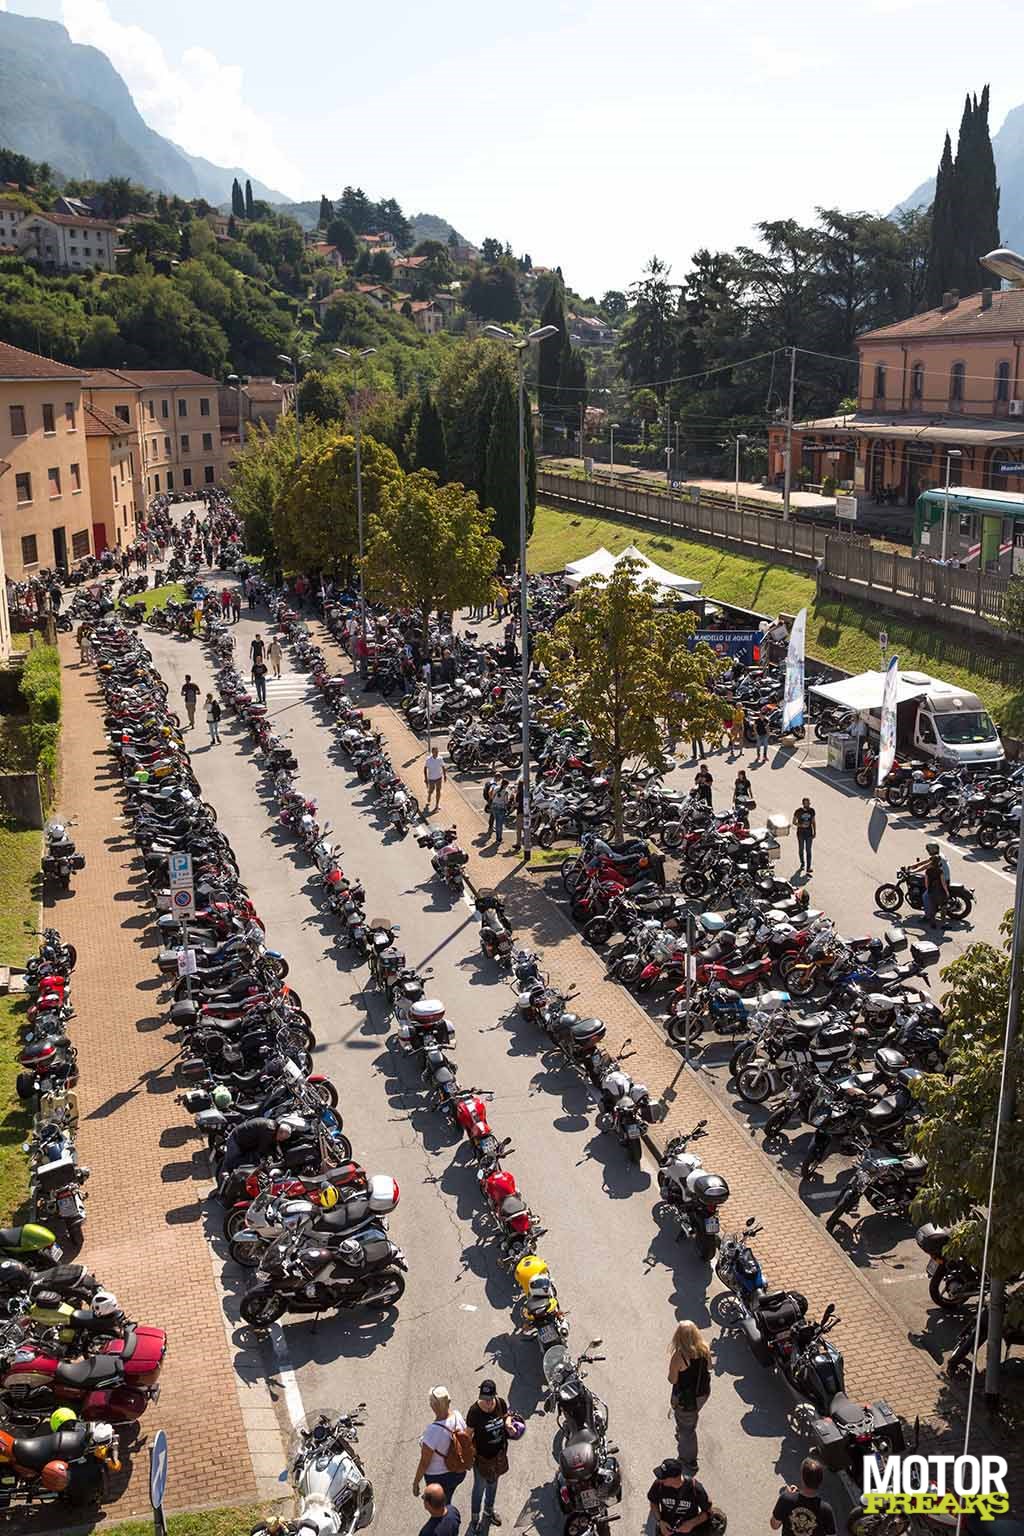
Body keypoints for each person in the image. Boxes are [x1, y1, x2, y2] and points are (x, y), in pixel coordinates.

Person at [413, 1388, 469, 1508]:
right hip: (458, 1472)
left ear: (434, 1406)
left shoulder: (432, 1431)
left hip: (438, 1477)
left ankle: (445, 1512)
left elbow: (424, 1462)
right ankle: (447, 1504)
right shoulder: (457, 1416)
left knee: (438, 1506)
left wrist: (416, 1482)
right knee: (447, 1496)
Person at [668, 1322, 712, 1471]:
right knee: (689, 1418)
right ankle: (684, 1428)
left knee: (688, 1430)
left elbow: (672, 1379)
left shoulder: (679, 1356)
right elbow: (709, 1367)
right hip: (703, 1393)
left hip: (687, 1399)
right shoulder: (704, 1348)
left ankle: (689, 1460)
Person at [466, 1379, 509, 1531]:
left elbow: (506, 1417)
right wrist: (468, 1457)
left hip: (498, 1457)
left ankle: (488, 1512)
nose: (488, 1402)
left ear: (495, 1395)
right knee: (479, 1489)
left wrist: (509, 1423)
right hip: (482, 1460)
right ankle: (475, 1520)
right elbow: (467, 1435)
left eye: (490, 1399)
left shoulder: (500, 1403)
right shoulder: (474, 1412)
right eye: (484, 1399)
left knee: (493, 1485)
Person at [770, 1458, 836, 1536]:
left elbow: (774, 1525)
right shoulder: (826, 1509)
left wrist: (788, 1495)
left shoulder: (786, 1499)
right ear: (820, 1481)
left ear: (802, 1478)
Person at [648, 1457, 712, 1535]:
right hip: (666, 1530)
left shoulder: (695, 1488)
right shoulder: (659, 1484)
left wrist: (691, 1523)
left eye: (663, 1477)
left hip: (690, 1532)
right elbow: (653, 1502)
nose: (660, 1479)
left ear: (674, 1478)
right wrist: (660, 1521)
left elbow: (708, 1512)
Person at [217, 1117, 293, 1181]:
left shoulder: (274, 1127)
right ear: (279, 1132)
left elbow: (275, 1144)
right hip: (236, 1140)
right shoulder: (269, 1130)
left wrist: (280, 1157)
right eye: (282, 1138)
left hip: (245, 1142)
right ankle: (220, 1187)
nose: (281, 1140)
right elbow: (262, 1149)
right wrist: (268, 1160)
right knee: (229, 1165)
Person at [911, 843, 950, 927]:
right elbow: (927, 861)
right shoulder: (938, 856)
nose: (928, 851)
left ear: (932, 850)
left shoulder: (935, 863)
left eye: (929, 849)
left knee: (925, 896)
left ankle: (927, 917)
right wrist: (914, 865)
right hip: (943, 879)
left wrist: (913, 872)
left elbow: (926, 866)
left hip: (941, 882)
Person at [793, 798, 816, 874]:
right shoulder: (798, 811)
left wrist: (814, 832)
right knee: (801, 849)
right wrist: (801, 825)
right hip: (800, 834)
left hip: (809, 833)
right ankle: (802, 863)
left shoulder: (812, 811)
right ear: (803, 804)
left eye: (808, 803)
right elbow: (794, 822)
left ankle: (808, 868)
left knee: (808, 850)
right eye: (806, 803)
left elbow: (813, 821)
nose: (808, 804)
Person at [424, 746, 446, 812]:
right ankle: (429, 795)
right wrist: (426, 778)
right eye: (435, 752)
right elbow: (425, 769)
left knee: (438, 791)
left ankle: (437, 805)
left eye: (437, 752)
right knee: (431, 790)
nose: (437, 753)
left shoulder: (440, 758)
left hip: (439, 778)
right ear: (432, 752)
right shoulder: (428, 759)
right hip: (431, 779)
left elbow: (443, 767)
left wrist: (445, 775)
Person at [490, 777, 509, 845]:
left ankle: (498, 838)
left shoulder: (496, 788)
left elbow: (492, 796)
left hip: (494, 806)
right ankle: (499, 839)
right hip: (501, 808)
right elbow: (506, 802)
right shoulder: (506, 792)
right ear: (505, 785)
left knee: (496, 822)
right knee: (499, 824)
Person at [512, 778, 525, 854]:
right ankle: (526, 842)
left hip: (520, 813)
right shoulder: (527, 792)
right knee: (525, 828)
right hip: (526, 812)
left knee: (519, 829)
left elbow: (516, 804)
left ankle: (518, 844)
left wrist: (514, 800)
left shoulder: (519, 794)